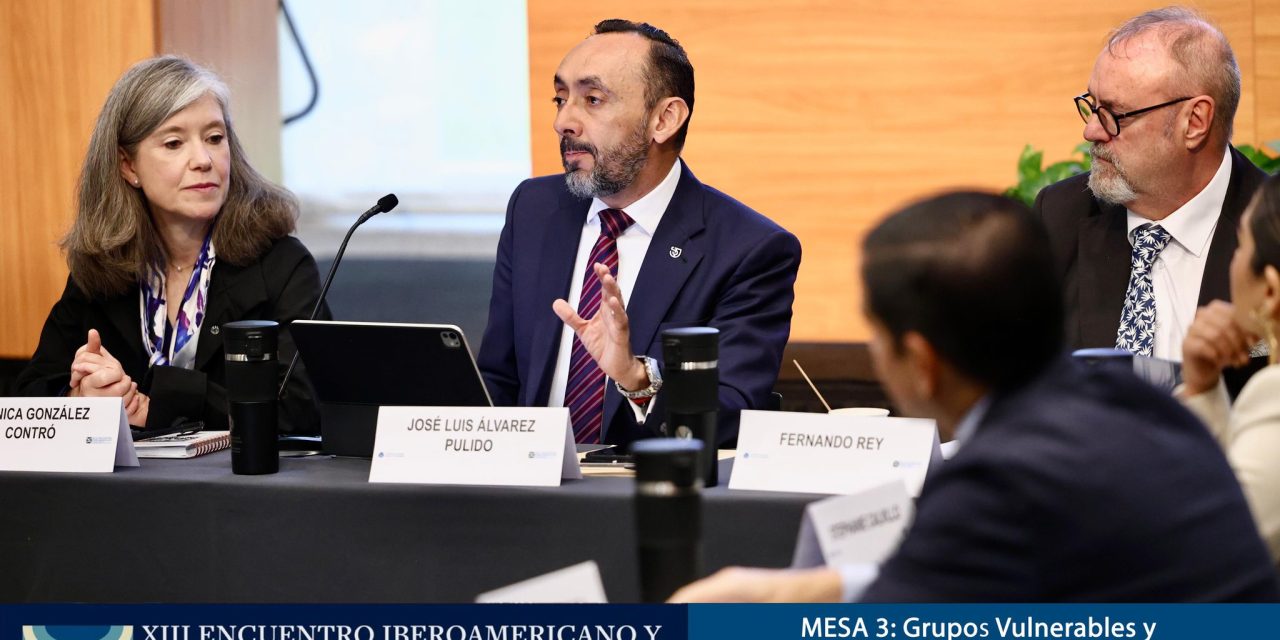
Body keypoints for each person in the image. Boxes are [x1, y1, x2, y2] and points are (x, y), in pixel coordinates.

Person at [670, 191, 1278, 602]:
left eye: (877, 336)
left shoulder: (1000, 481)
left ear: (923, 363)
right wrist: (788, 591)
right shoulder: (1133, 400)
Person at [478, 20, 801, 447]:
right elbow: (498, 378)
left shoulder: (749, 250)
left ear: (664, 119)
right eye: (560, 98)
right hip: (526, 493)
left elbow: (729, 416)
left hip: (646, 497)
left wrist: (636, 379)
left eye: (592, 99)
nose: (563, 121)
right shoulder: (534, 210)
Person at [17, 56, 327, 435]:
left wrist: (154, 404)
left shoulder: (281, 264)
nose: (203, 160)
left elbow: (302, 408)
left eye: (215, 138)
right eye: (174, 143)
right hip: (123, 490)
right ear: (128, 167)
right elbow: (28, 395)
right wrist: (80, 398)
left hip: (237, 488)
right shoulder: (102, 267)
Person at [1035, 7, 1266, 379]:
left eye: (1115, 114)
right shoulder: (1061, 214)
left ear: (1194, 122)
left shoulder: (1271, 227)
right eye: (1092, 106)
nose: (1092, 130)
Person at [1178, 173, 1280, 563]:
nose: (1232, 261)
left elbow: (1203, 554)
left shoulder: (1274, 395)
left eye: (1240, 245)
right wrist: (1203, 389)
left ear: (1269, 291)